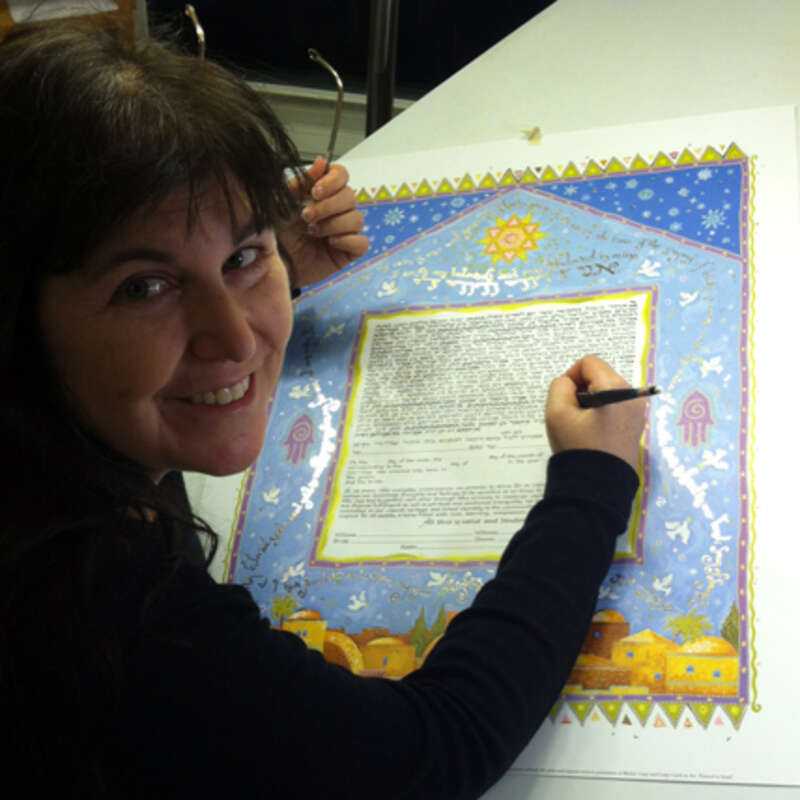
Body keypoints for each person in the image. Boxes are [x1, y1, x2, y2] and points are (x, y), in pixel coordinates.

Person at [0, 19, 646, 800]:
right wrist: (592, 481)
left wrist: (276, 262)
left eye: (242, 257)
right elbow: (440, 751)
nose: (237, 337)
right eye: (145, 287)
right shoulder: (112, 616)